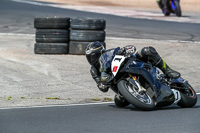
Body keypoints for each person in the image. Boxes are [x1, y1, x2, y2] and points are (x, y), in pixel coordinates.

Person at [85, 41, 180, 93]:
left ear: (101, 52)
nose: (91, 59)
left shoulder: (110, 53)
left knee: (148, 50)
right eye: (89, 57)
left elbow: (124, 49)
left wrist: (126, 49)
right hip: (119, 85)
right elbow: (102, 88)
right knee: (119, 102)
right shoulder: (94, 70)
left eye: (93, 56)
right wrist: (102, 84)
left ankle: (168, 70)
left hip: (131, 66)